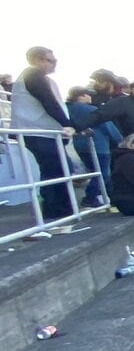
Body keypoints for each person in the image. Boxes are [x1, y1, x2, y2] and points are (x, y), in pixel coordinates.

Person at [10, 45, 78, 222]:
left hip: (41, 133)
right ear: (38, 60)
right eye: (51, 60)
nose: (55, 64)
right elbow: (48, 102)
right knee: (55, 171)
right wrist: (68, 124)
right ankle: (57, 211)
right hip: (39, 133)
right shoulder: (34, 76)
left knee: (58, 170)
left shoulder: (30, 77)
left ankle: (60, 210)